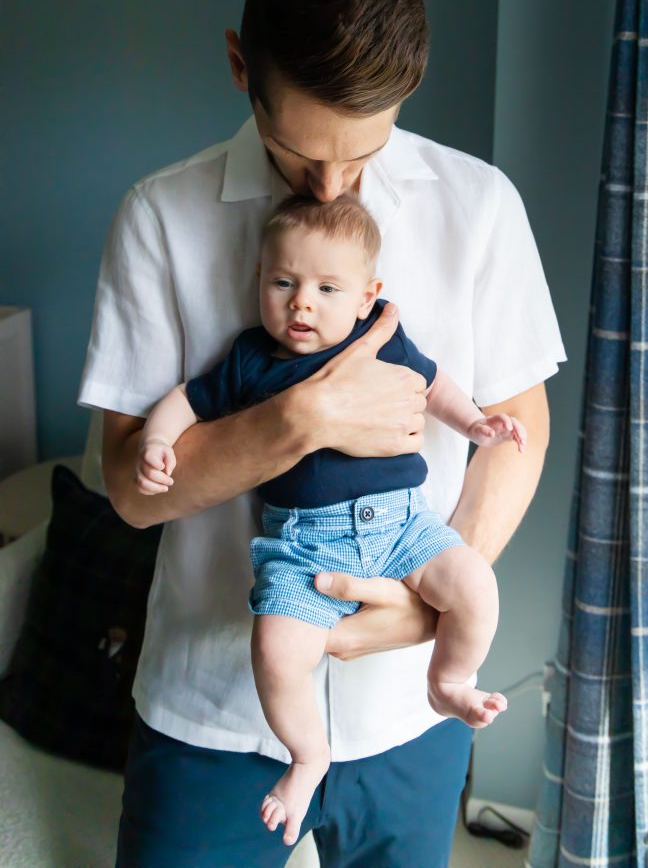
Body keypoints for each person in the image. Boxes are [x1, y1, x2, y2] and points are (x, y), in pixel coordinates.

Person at [79, 0, 565, 868]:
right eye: (303, 156)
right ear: (237, 66)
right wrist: (299, 419)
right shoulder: (157, 217)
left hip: (409, 713)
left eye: (363, 152)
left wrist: (427, 600)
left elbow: (521, 430)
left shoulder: (482, 207)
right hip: (211, 713)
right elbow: (132, 493)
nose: (338, 183)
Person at [135, 194, 526, 846]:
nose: (300, 304)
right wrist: (156, 442)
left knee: (475, 585)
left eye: (325, 287)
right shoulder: (251, 359)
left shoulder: (382, 338)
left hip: (403, 524)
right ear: (258, 278)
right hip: (302, 544)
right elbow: (185, 400)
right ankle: (305, 755)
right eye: (281, 282)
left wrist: (475, 423)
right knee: (275, 649)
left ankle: (448, 679)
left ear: (367, 295)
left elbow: (434, 385)